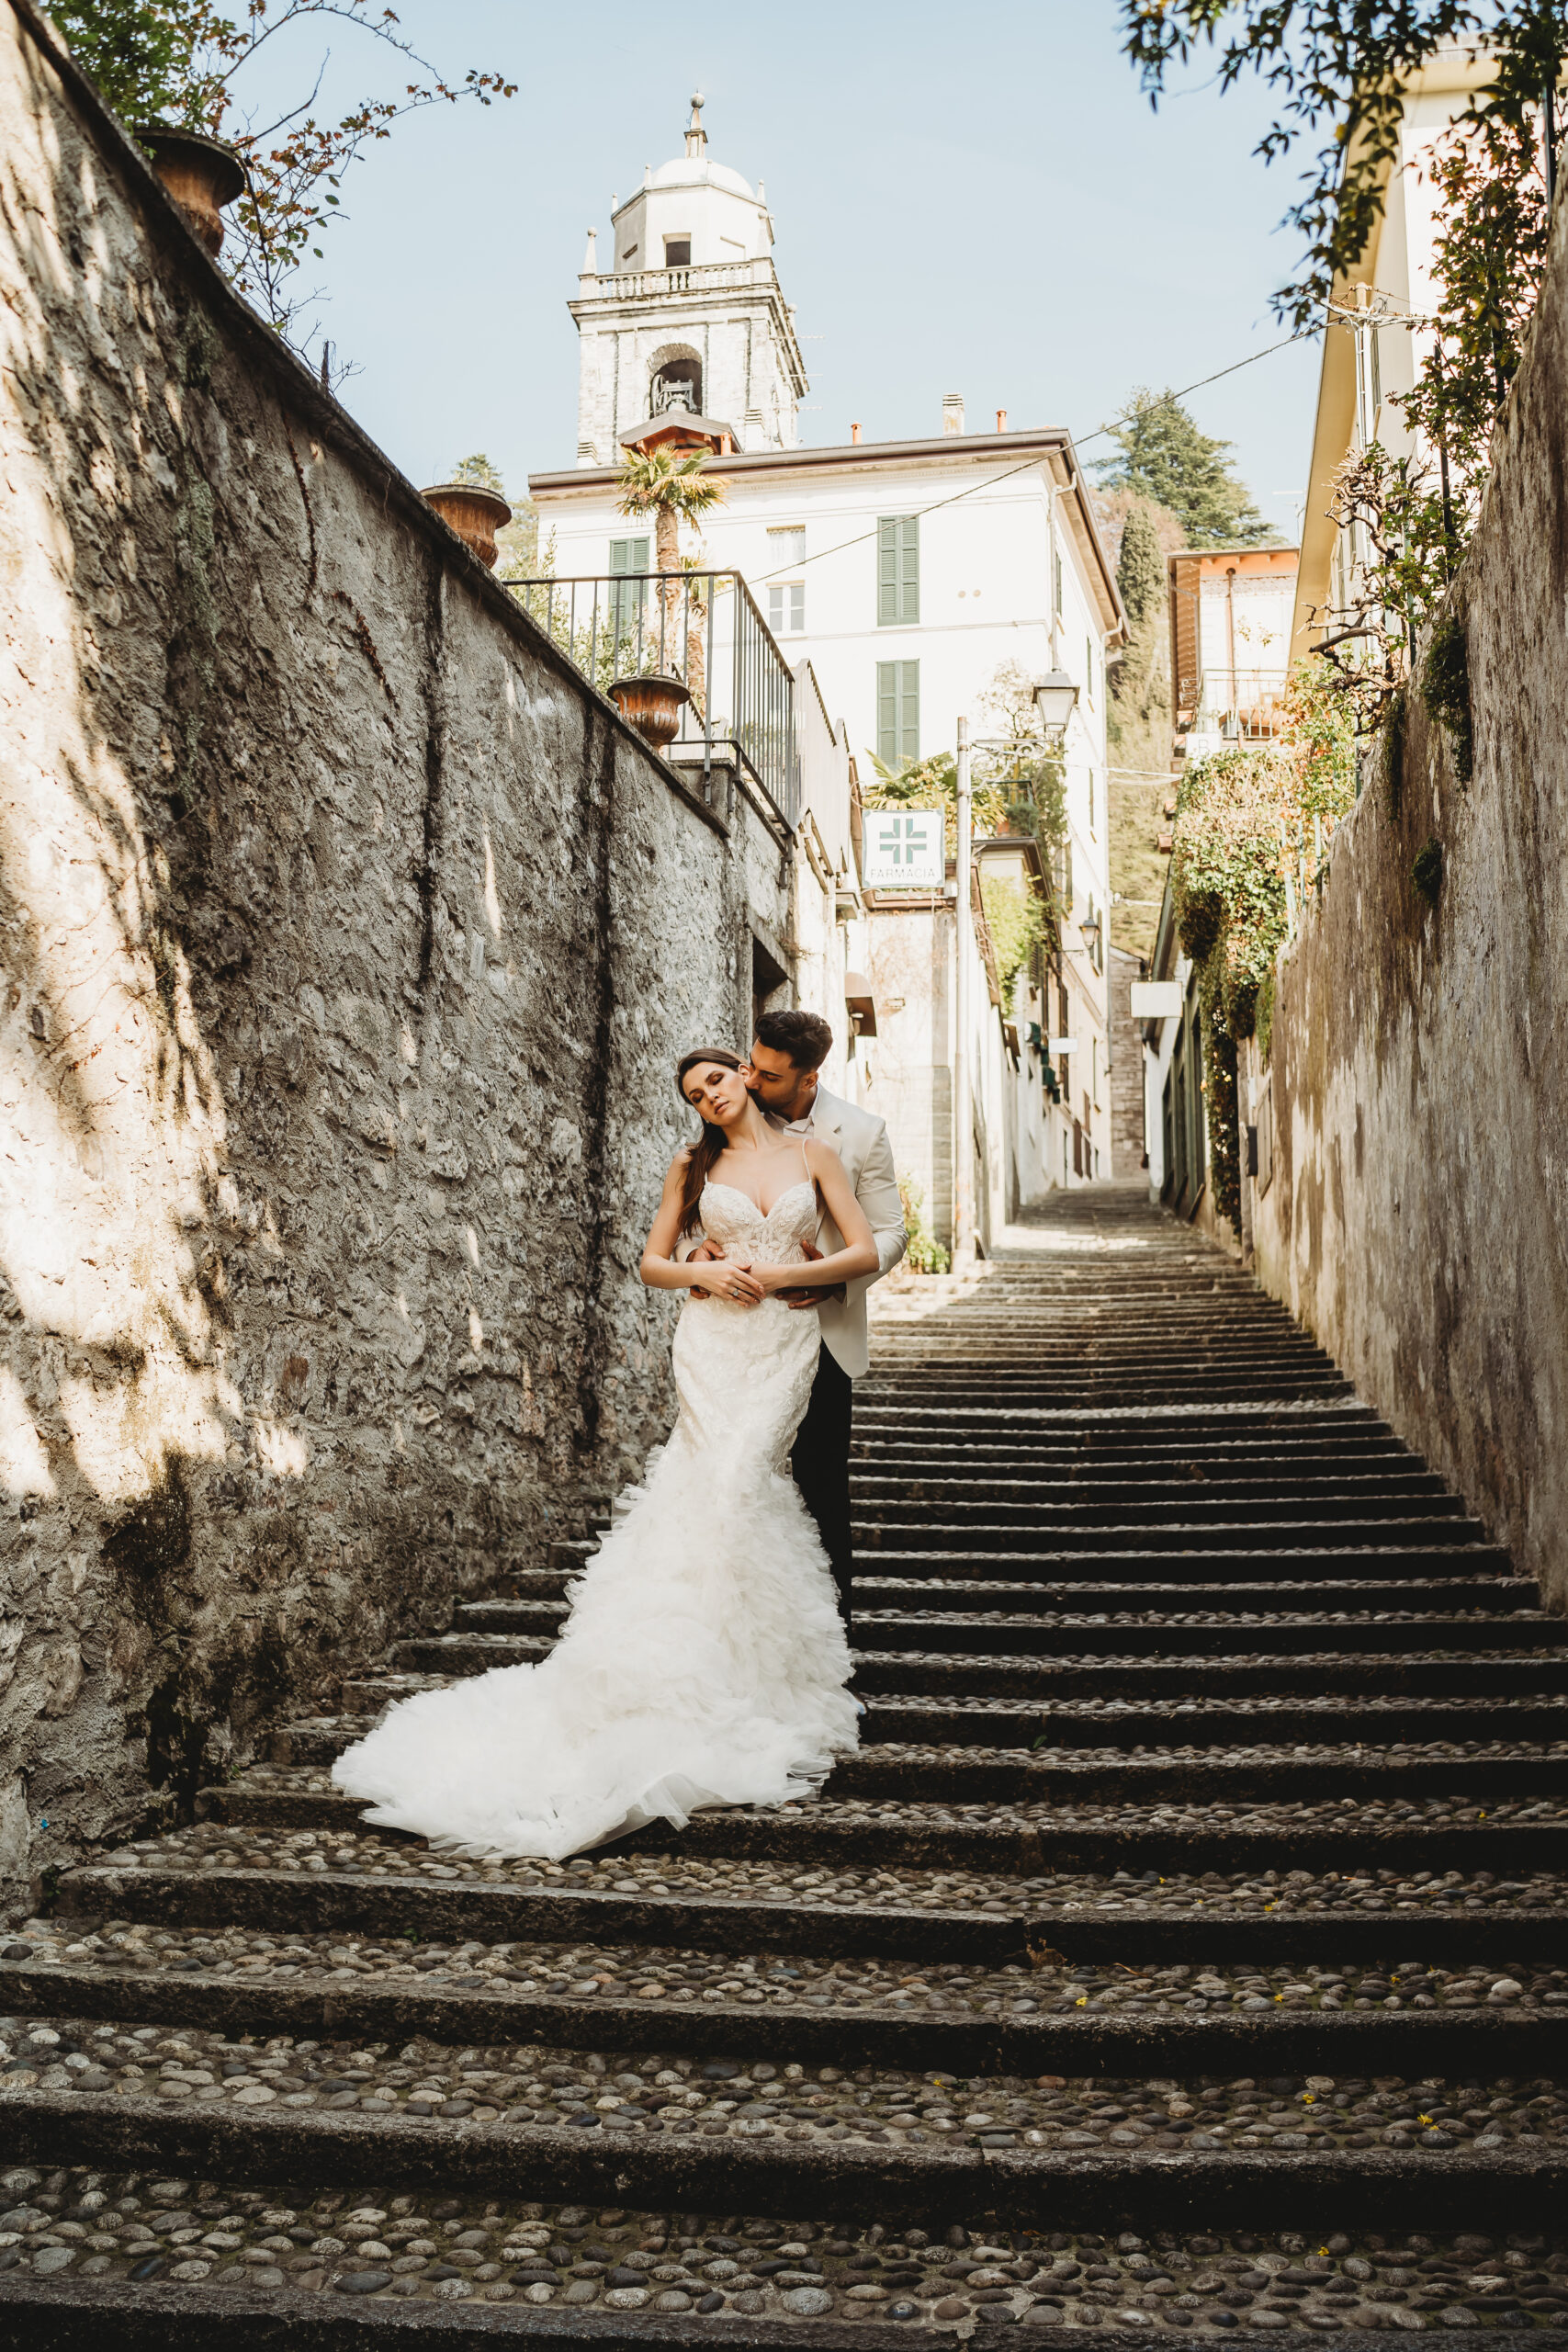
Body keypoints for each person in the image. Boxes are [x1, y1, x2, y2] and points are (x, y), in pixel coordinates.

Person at [331, 1047, 879, 1861]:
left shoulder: (814, 1154)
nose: (711, 1097)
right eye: (696, 1093)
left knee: (743, 1479)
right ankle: (682, 1668)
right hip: (712, 1342)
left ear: (742, 1073)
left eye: (718, 1080)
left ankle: (741, 1670)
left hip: (783, 1340)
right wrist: (706, 1271)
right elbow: (651, 1261)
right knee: (711, 1482)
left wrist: (781, 1273)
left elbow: (864, 1251)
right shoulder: (693, 1164)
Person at [687, 1010, 908, 1619]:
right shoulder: (722, 1117)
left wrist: (833, 1278)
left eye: (769, 1076)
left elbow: (889, 1232)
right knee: (730, 1480)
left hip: (821, 1333)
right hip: (731, 1340)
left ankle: (829, 1641)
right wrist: (693, 1252)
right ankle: (731, 1626)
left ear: (807, 1080)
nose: (749, 1081)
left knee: (819, 1489)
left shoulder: (859, 1133)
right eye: (749, 1066)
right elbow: (686, 1221)